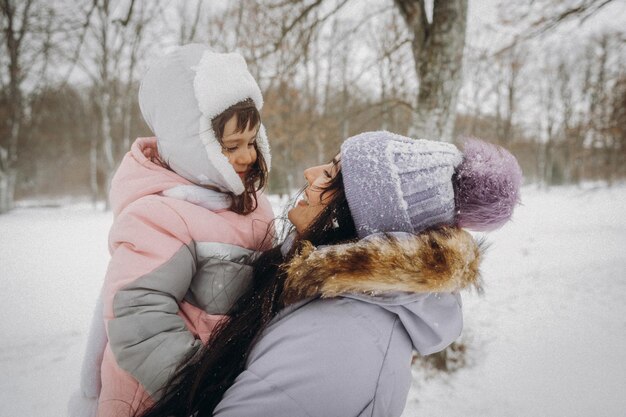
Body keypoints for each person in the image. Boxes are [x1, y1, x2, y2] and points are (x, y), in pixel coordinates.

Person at [137, 131, 523, 417]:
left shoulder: (341, 336)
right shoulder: (334, 301)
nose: (311, 171)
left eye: (333, 173)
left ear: (359, 217)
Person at [67, 44, 275, 417]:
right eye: (231, 147)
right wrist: (204, 388)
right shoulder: (159, 214)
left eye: (252, 142)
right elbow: (140, 323)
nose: (247, 157)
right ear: (192, 145)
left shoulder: (252, 205)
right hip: (161, 400)